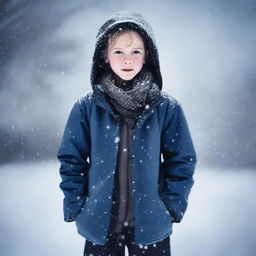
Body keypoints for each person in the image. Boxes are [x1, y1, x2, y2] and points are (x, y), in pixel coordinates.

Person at [57, 10, 197, 256]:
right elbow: (71, 160)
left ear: (147, 57)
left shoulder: (166, 108)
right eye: (118, 51)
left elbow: (181, 160)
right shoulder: (86, 107)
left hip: (151, 229)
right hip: (100, 228)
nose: (127, 60)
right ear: (104, 56)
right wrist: (77, 206)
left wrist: (171, 206)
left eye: (136, 51)